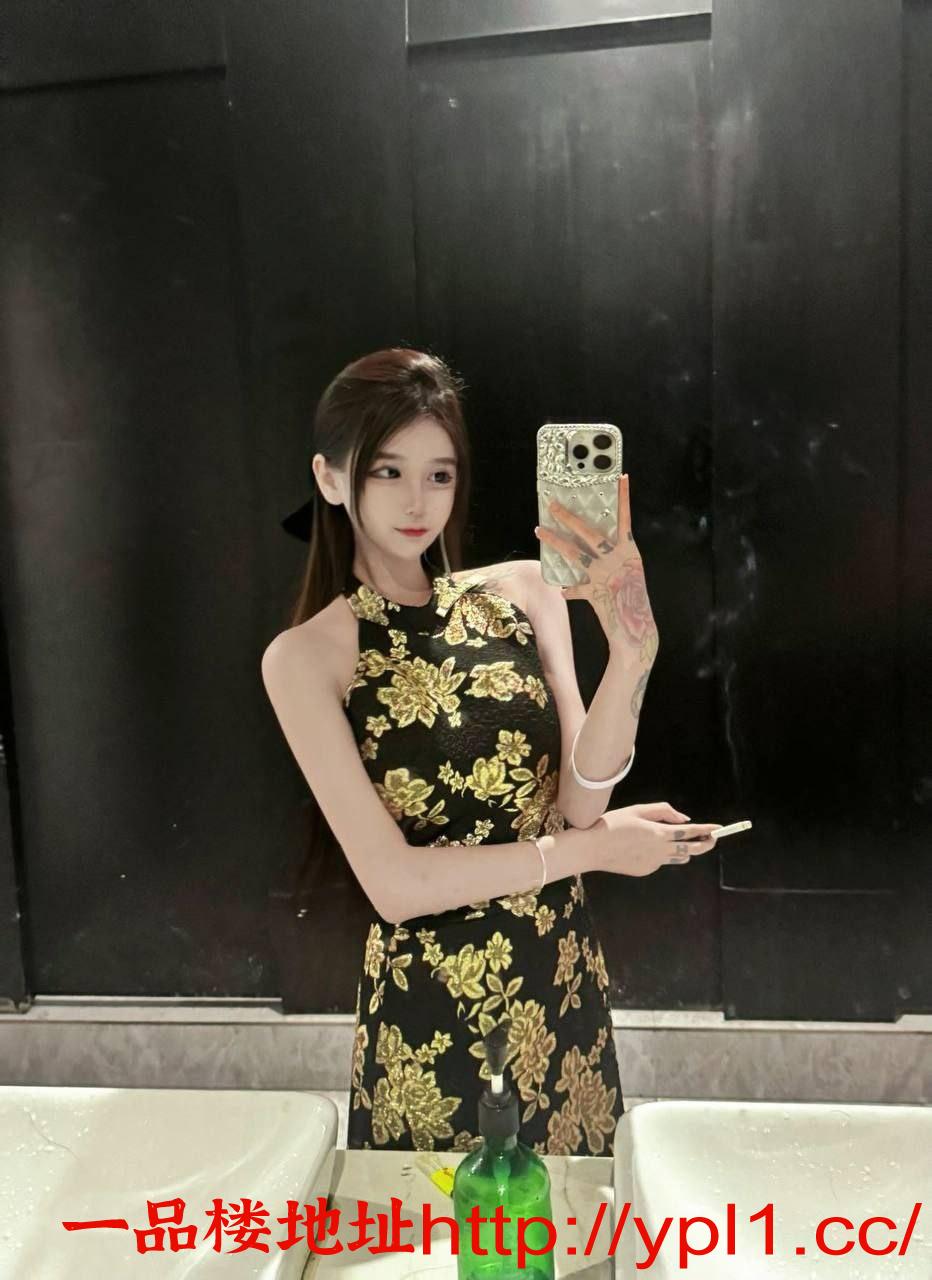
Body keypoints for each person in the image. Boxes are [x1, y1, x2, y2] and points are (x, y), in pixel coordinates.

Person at [262, 346, 721, 1154]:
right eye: (387, 471)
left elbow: (580, 800)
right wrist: (595, 853)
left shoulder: (525, 590)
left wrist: (633, 649)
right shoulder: (306, 657)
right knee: (439, 1229)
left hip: (560, 985)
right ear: (330, 479)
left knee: (575, 1224)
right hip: (431, 1020)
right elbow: (394, 886)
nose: (418, 501)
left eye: (439, 474)